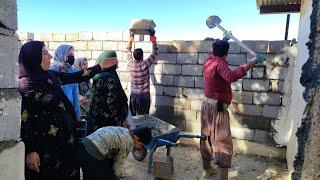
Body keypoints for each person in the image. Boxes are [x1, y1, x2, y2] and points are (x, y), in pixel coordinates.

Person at [18, 41, 117, 180]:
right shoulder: (26, 86)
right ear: (33, 57)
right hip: (46, 149)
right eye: (45, 53)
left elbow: (76, 76)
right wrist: (30, 150)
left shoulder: (50, 75)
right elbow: (25, 120)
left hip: (66, 142)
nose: (50, 56)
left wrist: (99, 67)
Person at [200, 40, 265, 179]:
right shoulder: (220, 63)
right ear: (227, 52)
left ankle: (206, 169)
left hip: (206, 107)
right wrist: (252, 62)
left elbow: (216, 54)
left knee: (205, 138)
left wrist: (222, 39)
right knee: (222, 142)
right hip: (218, 109)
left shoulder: (209, 60)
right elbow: (231, 76)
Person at [77, 126, 152, 180]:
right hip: (94, 152)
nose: (138, 148)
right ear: (137, 138)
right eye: (140, 145)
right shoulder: (129, 142)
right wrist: (116, 177)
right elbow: (118, 164)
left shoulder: (125, 130)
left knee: (90, 175)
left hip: (84, 144)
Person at [88, 50, 128, 132]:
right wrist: (119, 119)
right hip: (107, 122)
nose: (117, 65)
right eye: (115, 61)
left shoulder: (98, 75)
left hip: (95, 118)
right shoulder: (109, 78)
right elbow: (111, 103)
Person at [126, 29, 158, 116]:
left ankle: (133, 130)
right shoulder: (145, 64)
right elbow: (155, 52)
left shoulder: (130, 64)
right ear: (142, 56)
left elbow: (128, 50)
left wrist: (131, 37)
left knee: (133, 117)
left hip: (134, 96)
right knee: (144, 118)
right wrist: (152, 37)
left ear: (134, 56)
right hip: (144, 95)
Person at [50, 45, 81, 120]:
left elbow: (75, 94)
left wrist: (77, 115)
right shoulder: (52, 71)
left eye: (72, 55)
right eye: (69, 55)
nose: (71, 58)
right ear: (61, 55)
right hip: (55, 111)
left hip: (69, 110)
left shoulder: (73, 71)